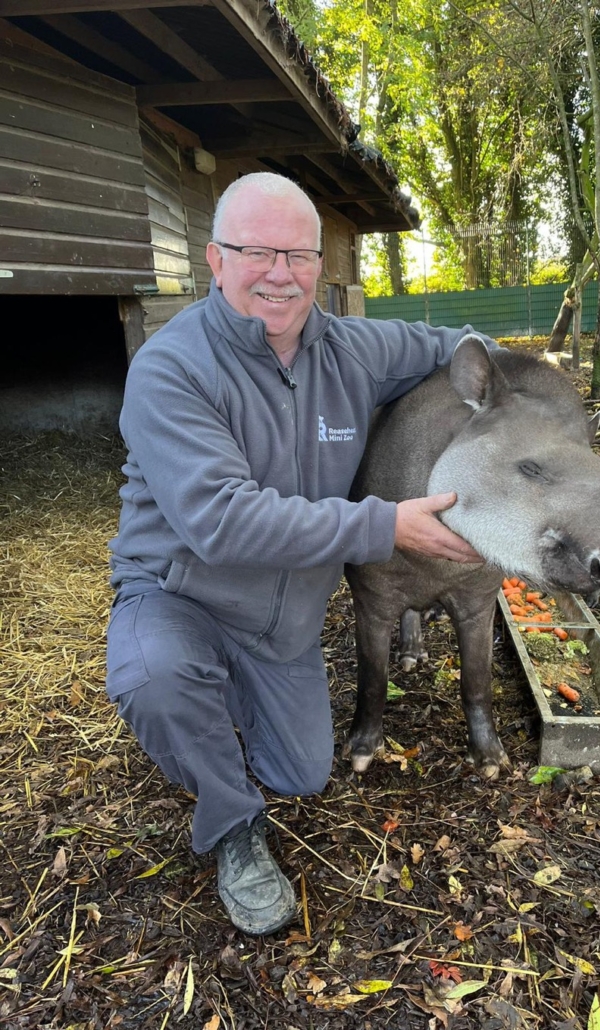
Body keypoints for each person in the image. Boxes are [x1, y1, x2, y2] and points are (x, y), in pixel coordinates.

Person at [106, 172, 491, 937]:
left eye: (299, 255)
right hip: (183, 596)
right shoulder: (170, 369)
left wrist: (527, 394)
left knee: (302, 773)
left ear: (321, 264)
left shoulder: (354, 349)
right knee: (155, 678)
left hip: (284, 626)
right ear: (214, 260)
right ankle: (231, 827)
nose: (280, 273)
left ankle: (231, 703)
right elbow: (221, 521)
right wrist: (384, 526)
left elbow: (462, 349)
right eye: (257, 252)